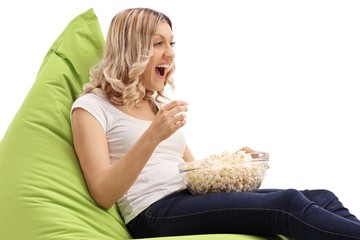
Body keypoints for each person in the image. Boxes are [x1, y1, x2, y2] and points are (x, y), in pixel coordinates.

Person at [70, 7, 360, 240]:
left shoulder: (156, 104)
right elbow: (103, 193)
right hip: (153, 211)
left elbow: (193, 174)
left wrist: (236, 165)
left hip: (185, 198)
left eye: (171, 43)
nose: (170, 53)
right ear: (130, 50)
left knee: (322, 197)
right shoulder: (91, 107)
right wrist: (153, 135)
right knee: (287, 207)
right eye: (158, 43)